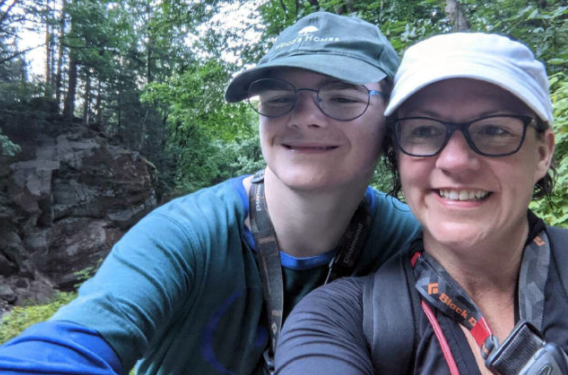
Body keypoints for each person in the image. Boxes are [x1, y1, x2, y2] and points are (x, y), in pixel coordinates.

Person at [0, 12, 420, 375]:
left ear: (392, 119)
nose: (305, 118)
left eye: (342, 98)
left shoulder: (410, 242)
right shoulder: (185, 235)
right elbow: (70, 343)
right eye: (279, 98)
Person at [275, 32, 568, 375]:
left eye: (493, 130)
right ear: (396, 154)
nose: (456, 161)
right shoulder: (336, 322)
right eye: (425, 131)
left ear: (542, 153)